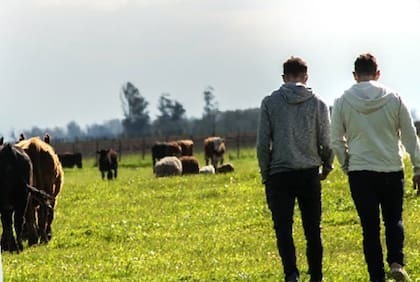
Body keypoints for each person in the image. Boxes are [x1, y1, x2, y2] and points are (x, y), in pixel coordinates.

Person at [330, 53, 420, 282]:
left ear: (355, 75)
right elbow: (411, 137)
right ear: (378, 73)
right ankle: (396, 262)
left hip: (360, 171)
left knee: (369, 227)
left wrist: (347, 165)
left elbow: (336, 141)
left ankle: (376, 275)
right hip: (391, 167)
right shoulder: (395, 98)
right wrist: (418, 167)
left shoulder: (342, 101)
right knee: (394, 220)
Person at [257, 56, 334, 282]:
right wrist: (327, 165)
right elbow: (327, 142)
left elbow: (263, 144)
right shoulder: (318, 104)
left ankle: (291, 274)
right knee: (313, 229)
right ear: (306, 76)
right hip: (309, 172)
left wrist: (265, 173)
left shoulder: (270, 103)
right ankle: (316, 276)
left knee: (283, 228)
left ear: (284, 77)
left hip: (279, 174)